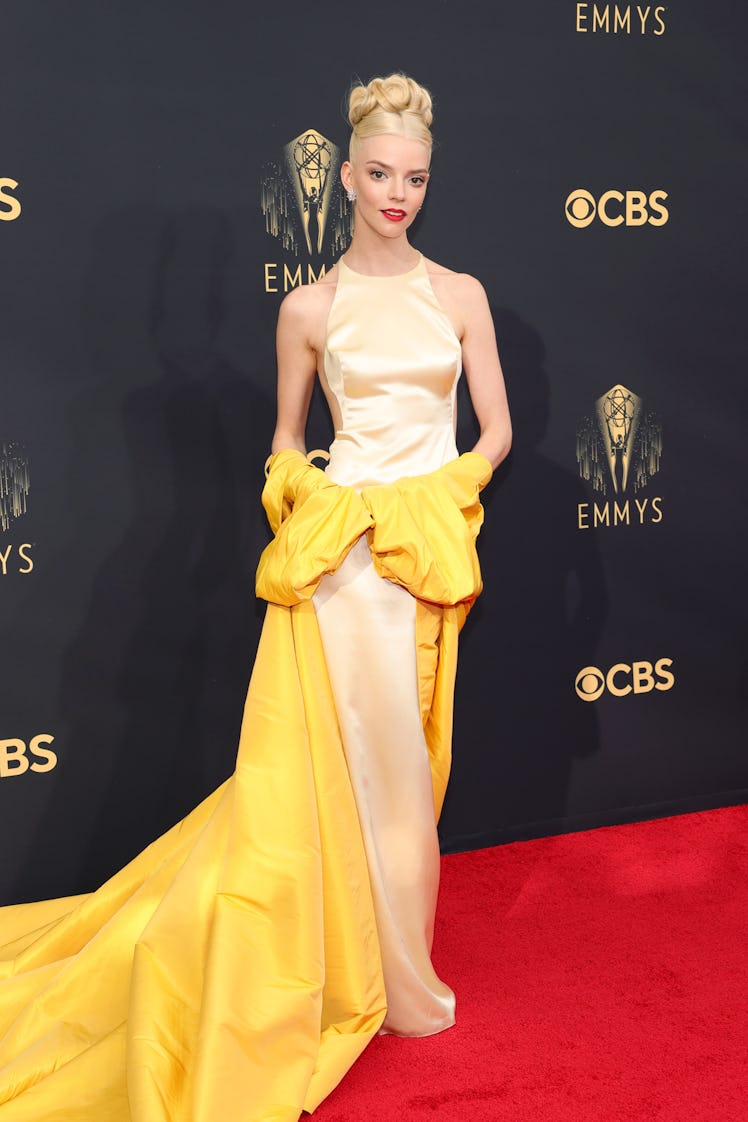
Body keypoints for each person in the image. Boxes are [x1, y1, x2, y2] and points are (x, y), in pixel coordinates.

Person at [0, 73, 510, 1122]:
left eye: (413, 177)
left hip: (418, 556)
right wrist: (311, 498)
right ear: (348, 174)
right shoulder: (309, 308)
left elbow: (493, 432)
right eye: (377, 174)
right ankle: (354, 978)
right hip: (340, 571)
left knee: (411, 768)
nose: (395, 194)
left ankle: (398, 969)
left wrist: (436, 497)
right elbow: (286, 440)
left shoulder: (459, 294)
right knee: (339, 774)